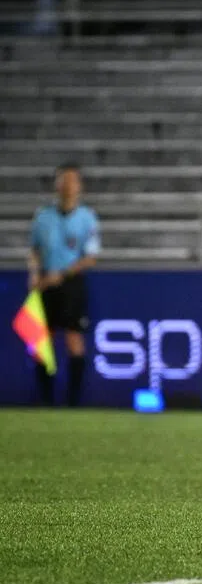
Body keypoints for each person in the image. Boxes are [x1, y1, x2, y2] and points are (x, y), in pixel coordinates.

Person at [27, 164, 100, 407]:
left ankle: (73, 401)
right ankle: (46, 400)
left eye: (72, 180)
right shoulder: (43, 216)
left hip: (71, 283)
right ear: (57, 185)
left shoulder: (87, 218)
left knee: (74, 339)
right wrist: (34, 273)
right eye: (63, 180)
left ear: (79, 186)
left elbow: (90, 257)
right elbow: (35, 250)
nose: (68, 185)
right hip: (45, 282)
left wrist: (63, 274)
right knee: (41, 342)